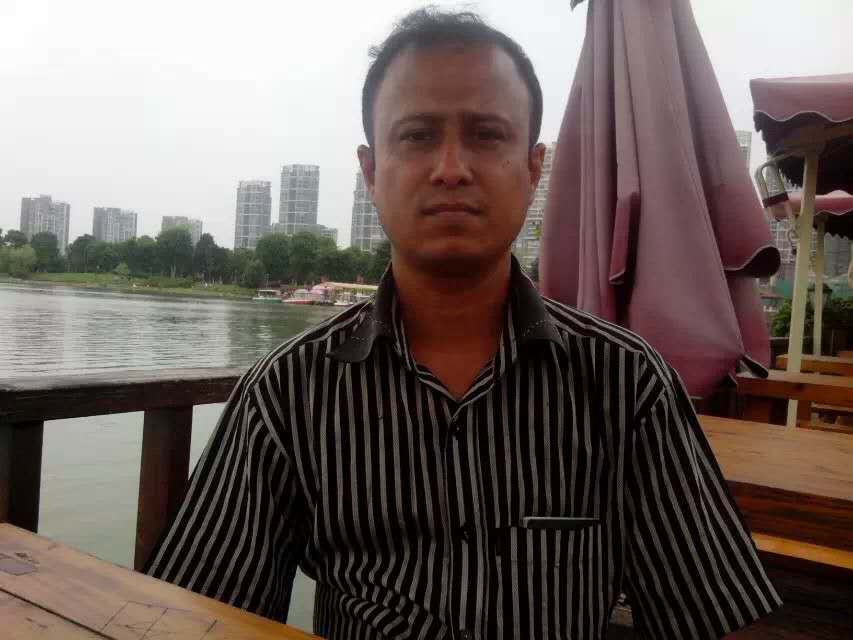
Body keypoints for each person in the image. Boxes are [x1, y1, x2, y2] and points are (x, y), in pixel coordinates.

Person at [146, 8, 781, 639]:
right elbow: (197, 620)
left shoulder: (624, 383)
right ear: (371, 171)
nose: (451, 167)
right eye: (417, 136)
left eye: (486, 135)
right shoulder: (289, 392)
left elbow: (710, 615)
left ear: (533, 168)